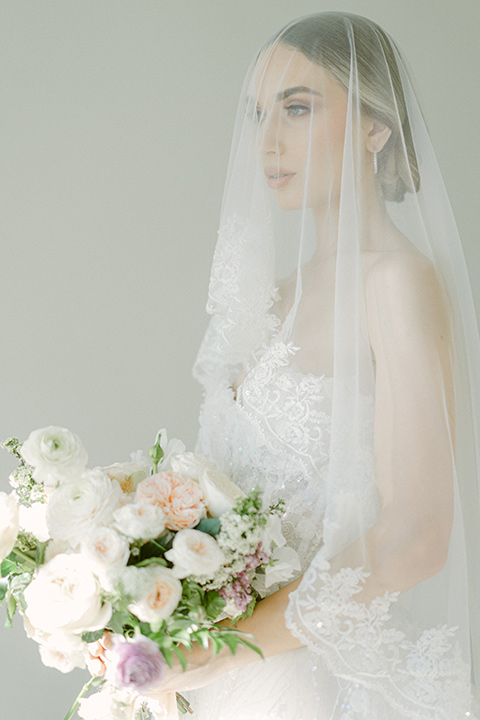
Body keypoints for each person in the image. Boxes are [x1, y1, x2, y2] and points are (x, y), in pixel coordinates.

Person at [148, 12, 480, 719]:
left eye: (297, 109)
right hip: (230, 684)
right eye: (258, 114)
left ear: (374, 128)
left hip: (320, 687)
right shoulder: (273, 300)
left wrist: (229, 646)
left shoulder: (397, 282)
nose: (267, 142)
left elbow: (418, 535)